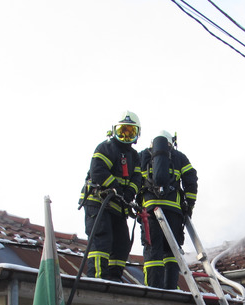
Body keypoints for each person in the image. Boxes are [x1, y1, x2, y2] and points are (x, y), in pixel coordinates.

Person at [78, 110, 143, 281]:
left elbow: (137, 178)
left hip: (118, 206)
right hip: (99, 203)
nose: (126, 135)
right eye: (123, 131)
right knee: (101, 240)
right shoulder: (106, 147)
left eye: (130, 132)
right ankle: (98, 278)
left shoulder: (134, 156)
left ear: (137, 134)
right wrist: (116, 188)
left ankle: (114, 279)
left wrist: (130, 192)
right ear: (114, 131)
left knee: (122, 244)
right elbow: (98, 171)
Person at [137, 130, 198, 289]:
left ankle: (153, 287)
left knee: (153, 250)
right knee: (172, 252)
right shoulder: (180, 157)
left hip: (150, 211)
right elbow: (191, 180)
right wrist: (189, 205)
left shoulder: (142, 156)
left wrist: (137, 203)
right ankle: (171, 286)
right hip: (174, 212)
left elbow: (133, 180)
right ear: (172, 142)